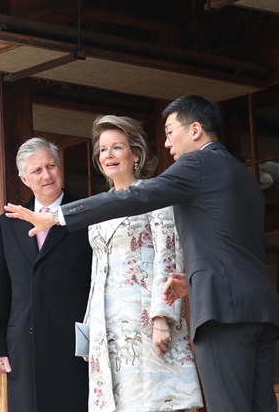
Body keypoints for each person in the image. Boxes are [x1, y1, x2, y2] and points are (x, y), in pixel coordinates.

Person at [4, 95, 279, 412]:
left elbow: (137, 198)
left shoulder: (196, 164)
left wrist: (57, 216)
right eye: (102, 150)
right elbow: (229, 246)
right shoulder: (240, 171)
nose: (167, 143)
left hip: (218, 312)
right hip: (259, 308)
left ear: (194, 130)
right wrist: (192, 281)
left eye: (170, 132)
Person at [83, 115, 202, 411]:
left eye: (116, 147)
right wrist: (87, 331)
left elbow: (169, 254)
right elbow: (96, 274)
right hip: (105, 327)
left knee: (153, 402)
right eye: (102, 150)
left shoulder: (155, 196)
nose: (108, 155)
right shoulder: (97, 207)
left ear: (135, 154)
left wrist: (162, 317)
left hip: (145, 321)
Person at [0, 137, 93, 412]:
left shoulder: (86, 215)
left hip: (75, 344)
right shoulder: (7, 224)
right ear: (24, 179)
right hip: (24, 345)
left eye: (51, 166)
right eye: (37, 171)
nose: (47, 175)